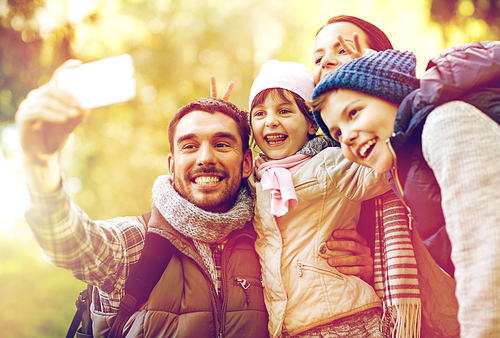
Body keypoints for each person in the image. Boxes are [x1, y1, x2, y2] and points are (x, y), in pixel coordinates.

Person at [16, 61, 269, 337]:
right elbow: (67, 241)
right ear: (171, 167)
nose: (206, 158)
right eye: (190, 146)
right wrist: (40, 161)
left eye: (221, 144)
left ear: (247, 163)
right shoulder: (139, 242)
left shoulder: (270, 240)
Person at [310, 43, 500, 337]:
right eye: (337, 133)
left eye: (354, 113)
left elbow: (487, 260)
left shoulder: (446, 125)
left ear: (391, 94)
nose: (346, 138)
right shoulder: (404, 170)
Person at [247, 60, 390, 337]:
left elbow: (382, 168)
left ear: (312, 123)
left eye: (285, 110)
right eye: (259, 113)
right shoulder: (255, 179)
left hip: (345, 318)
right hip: (289, 328)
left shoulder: (332, 164)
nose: (271, 121)